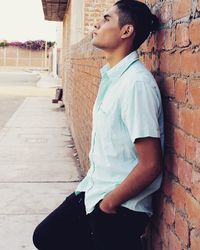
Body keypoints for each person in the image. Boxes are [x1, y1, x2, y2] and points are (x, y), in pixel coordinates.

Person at [33, 0, 164, 249]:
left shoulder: (136, 84)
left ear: (126, 31)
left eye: (106, 18)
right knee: (46, 236)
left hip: (119, 208)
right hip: (94, 193)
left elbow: (151, 164)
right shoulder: (114, 78)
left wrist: (109, 203)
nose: (97, 23)